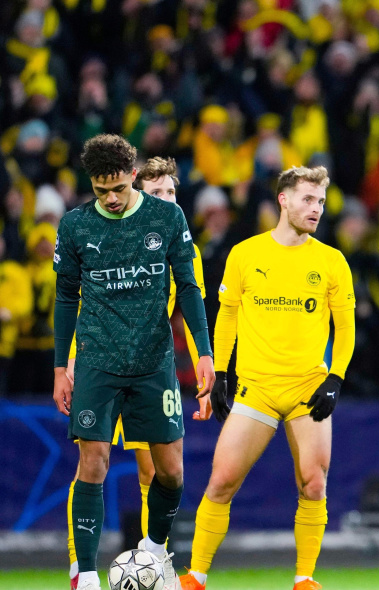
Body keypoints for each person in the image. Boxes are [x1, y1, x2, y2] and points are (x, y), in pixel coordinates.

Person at [179, 166, 356, 590]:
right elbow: (227, 316)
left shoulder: (332, 260)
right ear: (283, 200)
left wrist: (335, 378)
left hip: (307, 387)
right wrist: (222, 372)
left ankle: (304, 578)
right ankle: (196, 577)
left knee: (314, 483)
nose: (316, 208)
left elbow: (346, 328)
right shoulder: (246, 253)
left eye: (320, 201)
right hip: (256, 388)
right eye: (308, 199)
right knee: (221, 481)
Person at [52, 134, 215, 590]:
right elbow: (65, 298)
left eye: (119, 188)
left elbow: (189, 288)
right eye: (101, 190)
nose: (110, 198)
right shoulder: (75, 225)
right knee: (93, 462)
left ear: (133, 176)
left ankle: (153, 551)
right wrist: (60, 367)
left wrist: (204, 353)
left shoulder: (167, 218)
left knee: (170, 472)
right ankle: (86, 574)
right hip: (97, 362)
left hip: (153, 362)